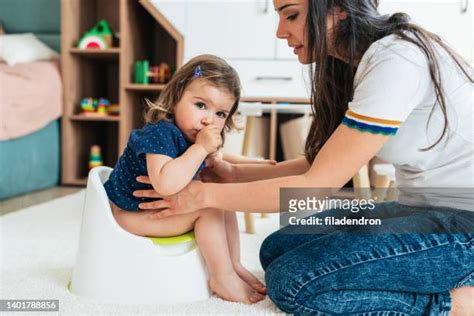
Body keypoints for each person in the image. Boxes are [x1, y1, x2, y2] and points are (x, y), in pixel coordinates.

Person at [132, 1, 474, 315]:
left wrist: (201, 196)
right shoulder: (362, 61)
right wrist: (233, 174)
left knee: (294, 283)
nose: (281, 31)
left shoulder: (396, 61)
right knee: (277, 247)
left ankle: (455, 303)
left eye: (291, 14)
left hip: (465, 223)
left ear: (338, 9)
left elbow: (315, 186)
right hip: (422, 209)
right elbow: (322, 164)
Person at [104, 54, 267, 304]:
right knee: (210, 207)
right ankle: (221, 277)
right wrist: (200, 149)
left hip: (151, 209)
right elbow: (165, 183)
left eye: (221, 113)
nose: (209, 120)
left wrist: (250, 161)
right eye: (201, 105)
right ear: (177, 96)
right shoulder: (161, 133)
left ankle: (232, 263)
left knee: (223, 196)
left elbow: (217, 158)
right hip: (129, 214)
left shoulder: (193, 136)